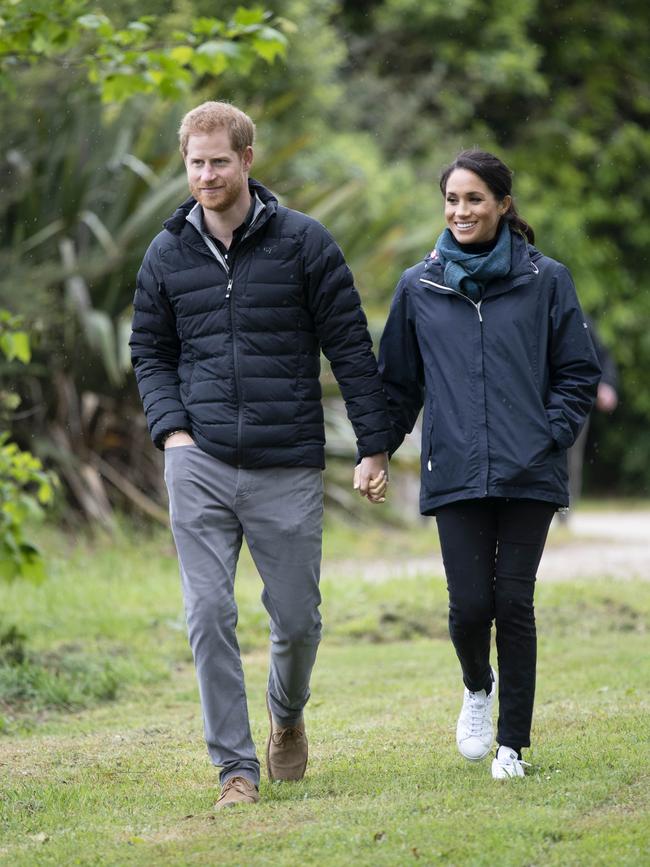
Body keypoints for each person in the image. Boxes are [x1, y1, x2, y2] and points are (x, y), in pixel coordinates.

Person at [130, 101, 390, 808]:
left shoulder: (305, 243)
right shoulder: (167, 252)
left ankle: (286, 714)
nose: (206, 175)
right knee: (208, 612)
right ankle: (234, 771)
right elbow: (149, 352)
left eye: (218, 161)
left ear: (247, 159)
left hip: (288, 461)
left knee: (298, 618)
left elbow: (351, 350)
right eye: (195, 163)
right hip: (200, 458)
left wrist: (374, 447)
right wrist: (173, 431)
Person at [370, 149, 601, 779]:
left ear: (503, 204)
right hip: (456, 472)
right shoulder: (420, 287)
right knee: (470, 606)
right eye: (452, 199)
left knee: (513, 602)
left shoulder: (545, 279)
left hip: (530, 471)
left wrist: (548, 434)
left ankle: (512, 745)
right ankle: (478, 685)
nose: (461, 210)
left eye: (474, 198)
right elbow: (397, 385)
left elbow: (579, 371)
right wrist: (375, 451)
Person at [566, 315, 619, 509]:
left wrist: (607, 385)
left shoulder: (581, 320)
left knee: (571, 459)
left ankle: (566, 510)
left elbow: (603, 357)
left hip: (575, 400)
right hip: (537, 402)